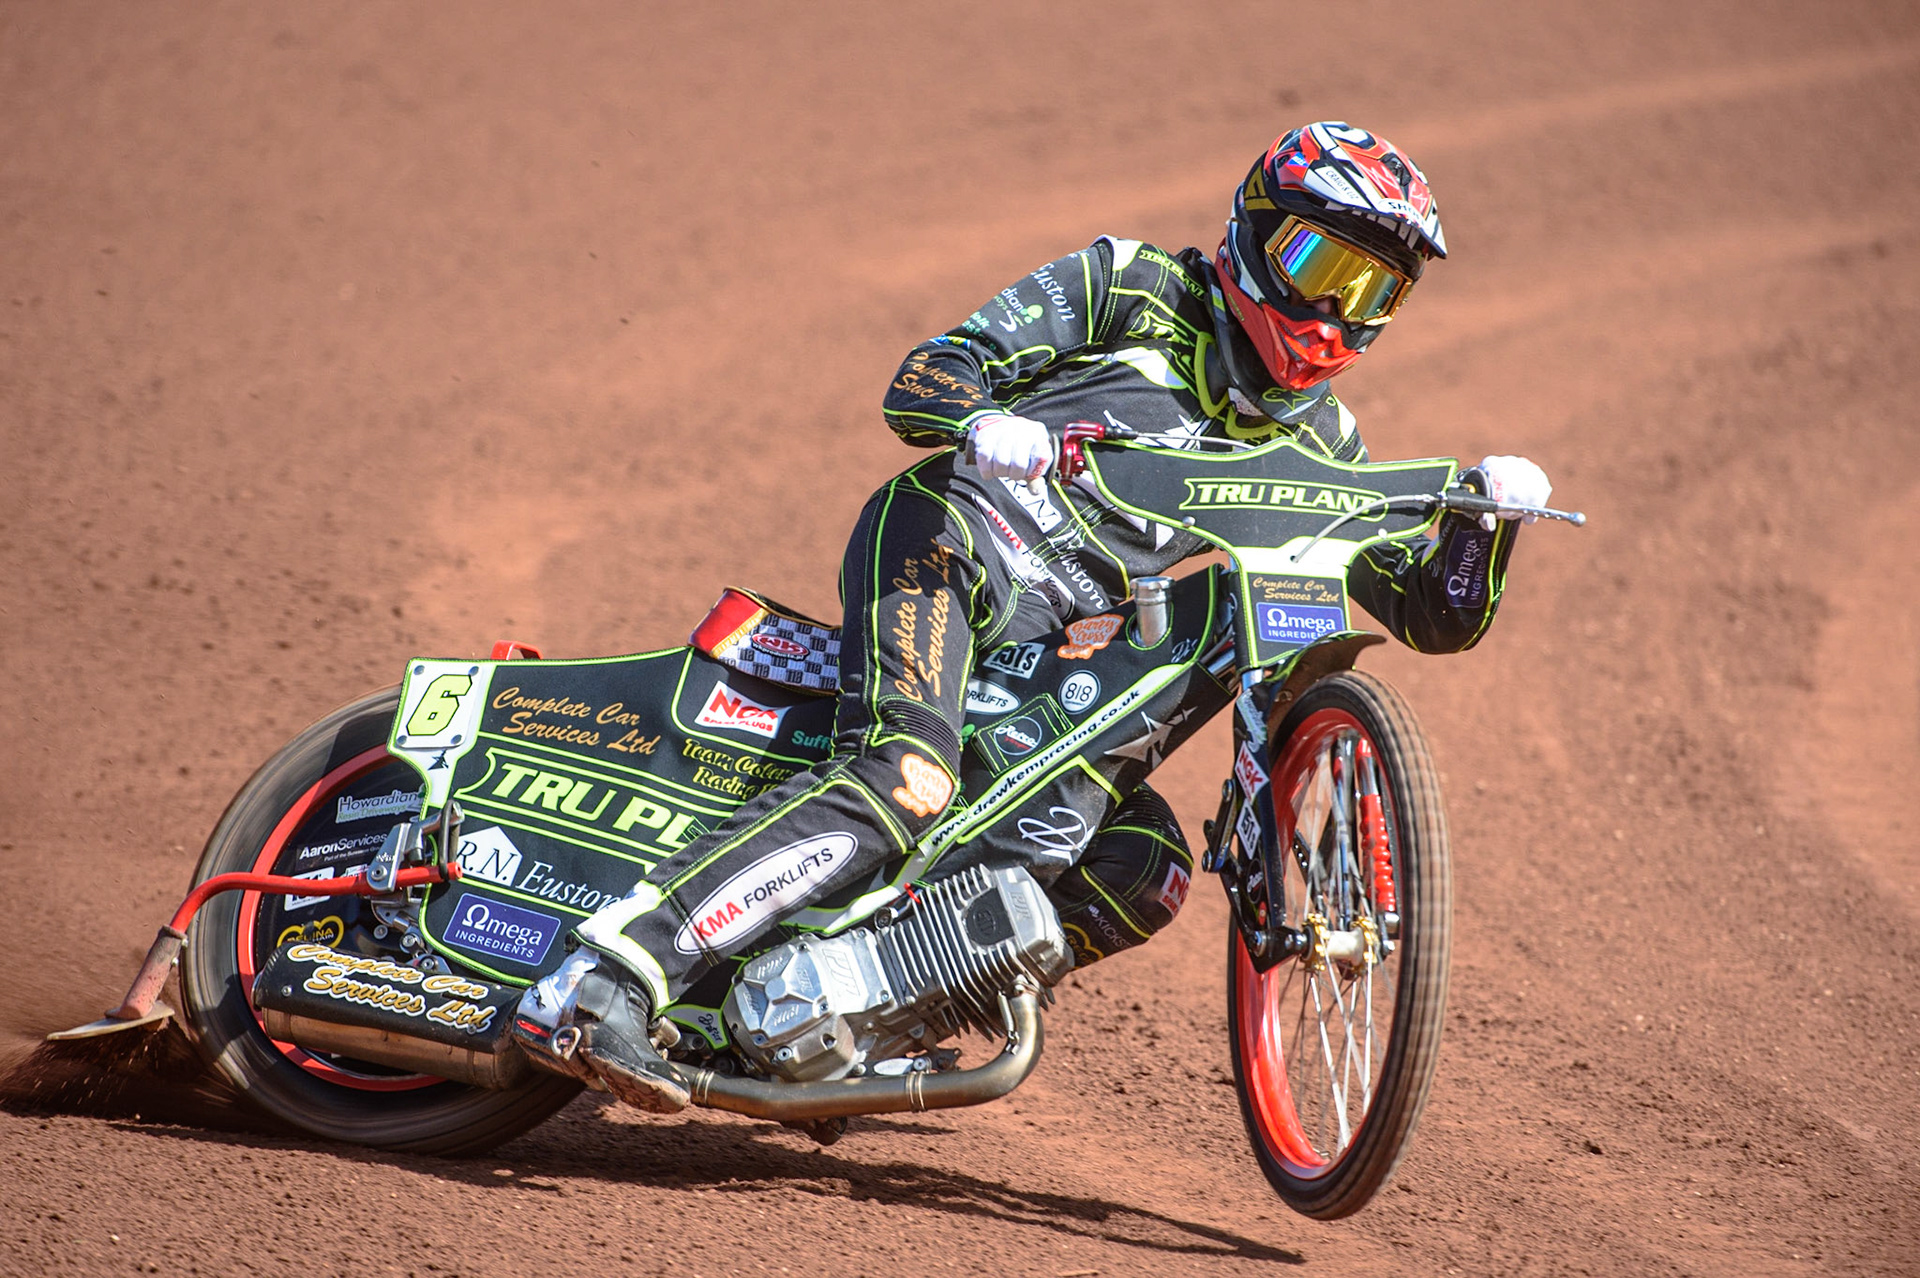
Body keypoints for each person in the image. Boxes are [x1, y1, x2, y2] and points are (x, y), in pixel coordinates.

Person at [513, 121, 1553, 1112]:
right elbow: (926, 376)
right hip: (947, 545)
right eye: (1324, 267)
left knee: (1141, 867)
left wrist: (1487, 525)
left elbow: (1429, 612)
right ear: (1254, 227)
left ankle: (833, 1018)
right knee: (903, 780)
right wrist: (982, 423)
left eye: (1371, 291)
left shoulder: (1323, 443)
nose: (1334, 315)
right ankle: (603, 978)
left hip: (1040, 660)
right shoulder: (1134, 287)